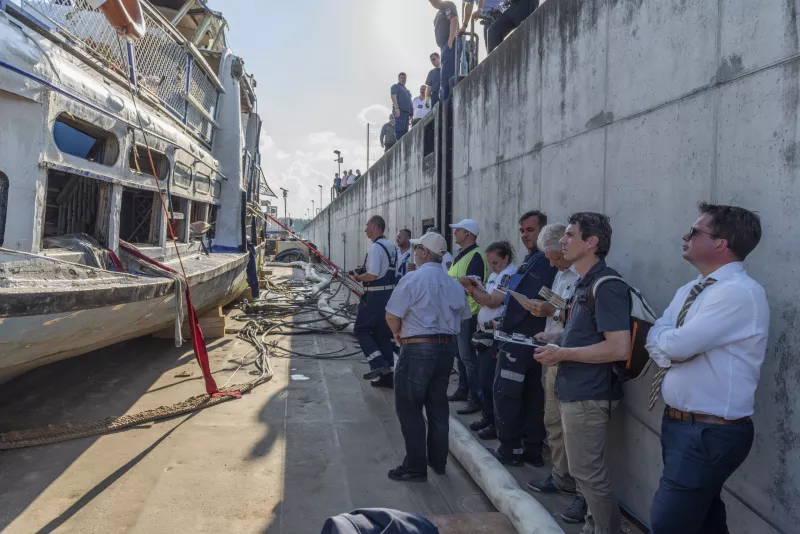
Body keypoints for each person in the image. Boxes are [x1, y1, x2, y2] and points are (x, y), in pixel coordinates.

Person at [646, 203, 767, 534]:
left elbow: (675, 345)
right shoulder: (691, 289)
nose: (685, 236)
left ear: (720, 243)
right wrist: (669, 344)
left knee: (668, 524)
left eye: (695, 231)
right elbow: (656, 334)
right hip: (682, 426)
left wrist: (668, 344)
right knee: (704, 520)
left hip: (710, 433)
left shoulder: (738, 293)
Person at [533, 212, 630, 534]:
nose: (563, 240)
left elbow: (618, 347)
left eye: (570, 235)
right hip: (574, 389)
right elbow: (590, 334)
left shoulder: (607, 285)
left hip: (589, 394)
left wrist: (563, 353)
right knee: (584, 472)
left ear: (592, 242)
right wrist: (557, 338)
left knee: (589, 475)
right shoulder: (582, 283)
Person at [385, 231, 471, 482]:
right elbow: (464, 317)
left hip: (417, 349)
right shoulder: (453, 283)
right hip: (445, 350)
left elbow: (391, 315)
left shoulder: (413, 279)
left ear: (424, 253)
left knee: (409, 408)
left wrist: (398, 334)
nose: (414, 253)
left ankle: (415, 466)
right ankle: (438, 461)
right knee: (437, 406)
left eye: (416, 249)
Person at [523, 223, 586, 525]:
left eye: (554, 258)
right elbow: (562, 307)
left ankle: (582, 493)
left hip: (574, 360)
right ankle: (562, 476)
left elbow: (576, 315)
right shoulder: (561, 273)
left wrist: (553, 311)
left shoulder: (586, 277)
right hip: (553, 354)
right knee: (552, 420)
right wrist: (544, 307)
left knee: (577, 432)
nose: (551, 264)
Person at [488, 210, 556, 468]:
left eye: (531, 230)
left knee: (507, 395)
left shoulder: (543, 263)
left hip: (521, 342)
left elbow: (529, 301)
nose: (526, 235)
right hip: (528, 343)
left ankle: (511, 449)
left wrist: (504, 326)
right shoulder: (531, 262)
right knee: (530, 398)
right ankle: (531, 449)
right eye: (522, 231)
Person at [460, 240, 516, 441]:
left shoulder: (508, 275)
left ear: (506, 258)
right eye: (490, 262)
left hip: (495, 334)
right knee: (484, 381)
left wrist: (472, 289)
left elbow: (493, 301)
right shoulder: (494, 275)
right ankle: (488, 415)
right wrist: (475, 290)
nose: (492, 267)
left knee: (489, 380)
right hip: (484, 332)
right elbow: (484, 299)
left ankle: (495, 423)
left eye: (496, 262)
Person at [446, 219, 488, 417]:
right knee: (460, 356)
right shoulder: (462, 255)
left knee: (468, 357)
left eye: (459, 231)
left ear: (468, 234)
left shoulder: (476, 256)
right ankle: (463, 390)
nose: (455, 234)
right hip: (457, 313)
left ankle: (474, 397)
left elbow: (473, 286)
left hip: (468, 313)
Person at [352, 215, 399, 381]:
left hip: (376, 296)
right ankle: (388, 379)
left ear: (374, 225)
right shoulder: (392, 247)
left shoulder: (375, 248)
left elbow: (372, 275)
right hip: (389, 296)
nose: (365, 229)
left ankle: (378, 363)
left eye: (367, 226)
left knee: (361, 329)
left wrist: (358, 277)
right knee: (381, 334)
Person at [429, 0, 459, 101]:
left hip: (449, 43)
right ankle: (445, 96)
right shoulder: (437, 15)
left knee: (448, 70)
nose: (432, 2)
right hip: (443, 46)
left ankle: (447, 97)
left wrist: (451, 39)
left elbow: (454, 19)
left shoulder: (446, 5)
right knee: (445, 71)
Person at [391, 73, 413, 141]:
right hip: (400, 111)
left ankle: (404, 148)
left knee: (405, 132)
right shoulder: (396, 86)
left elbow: (410, 102)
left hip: (407, 113)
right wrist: (396, 108)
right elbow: (393, 96)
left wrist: (411, 114)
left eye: (404, 78)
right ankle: (399, 148)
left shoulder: (407, 91)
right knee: (399, 132)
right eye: (402, 78)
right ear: (398, 78)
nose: (403, 79)